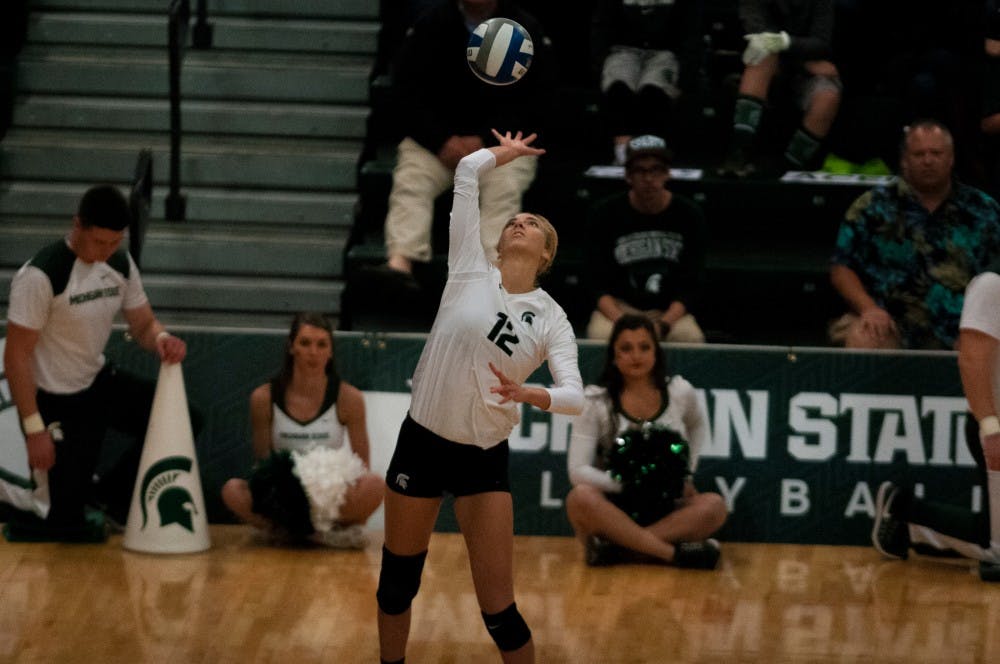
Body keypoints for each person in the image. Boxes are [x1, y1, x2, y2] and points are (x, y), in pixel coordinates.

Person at [376, 130, 584, 664]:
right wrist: (506, 155)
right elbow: (467, 173)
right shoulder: (470, 268)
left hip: (481, 457)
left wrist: (529, 394)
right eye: (516, 219)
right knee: (397, 585)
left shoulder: (552, 319)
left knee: (499, 611)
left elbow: (575, 397)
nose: (520, 222)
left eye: (533, 223)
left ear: (546, 254)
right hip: (421, 441)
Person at [2, 184, 188, 538]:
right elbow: (16, 358)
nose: (106, 251)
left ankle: (111, 498)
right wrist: (33, 428)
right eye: (99, 242)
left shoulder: (119, 262)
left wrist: (162, 339)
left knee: (184, 417)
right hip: (54, 398)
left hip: (96, 381)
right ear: (77, 226)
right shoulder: (41, 276)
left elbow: (144, 324)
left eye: (114, 242)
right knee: (64, 522)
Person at [376, 0, 557, 286]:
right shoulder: (430, 23)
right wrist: (441, 141)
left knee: (503, 188)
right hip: (439, 144)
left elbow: (538, 100)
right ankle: (401, 262)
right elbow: (405, 93)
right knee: (412, 179)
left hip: (502, 144)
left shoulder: (525, 29)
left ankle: (489, 274)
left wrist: (486, 140)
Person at [871, 266, 1000, 581]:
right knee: (999, 551)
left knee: (993, 533)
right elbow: (971, 358)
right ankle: (904, 513)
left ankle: (906, 514)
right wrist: (991, 428)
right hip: (995, 428)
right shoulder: (991, 285)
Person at [566, 314, 726, 568]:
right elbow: (577, 471)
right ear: (614, 356)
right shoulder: (596, 401)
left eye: (644, 347)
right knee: (580, 498)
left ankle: (618, 550)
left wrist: (687, 474)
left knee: (714, 506)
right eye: (626, 348)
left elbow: (697, 426)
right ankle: (674, 554)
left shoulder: (679, 392)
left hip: (667, 504)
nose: (636, 355)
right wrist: (630, 485)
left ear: (656, 352)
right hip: (616, 506)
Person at [829, 119, 1000, 350]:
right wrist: (868, 308)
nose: (928, 161)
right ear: (904, 161)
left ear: (951, 159)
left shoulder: (984, 209)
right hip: (889, 321)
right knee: (864, 337)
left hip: (966, 325)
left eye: (936, 153)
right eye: (919, 154)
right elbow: (842, 268)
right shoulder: (872, 206)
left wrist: (982, 326)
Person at [220, 312, 384, 548]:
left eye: (321, 344)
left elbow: (362, 465)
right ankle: (296, 531)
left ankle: (313, 533)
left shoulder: (349, 398)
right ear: (291, 347)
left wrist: (328, 491)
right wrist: (287, 493)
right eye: (305, 343)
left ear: (331, 351)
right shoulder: (263, 398)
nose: (313, 352)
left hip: (331, 497)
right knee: (232, 491)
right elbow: (262, 465)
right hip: (284, 497)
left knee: (375, 485)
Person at [584, 135, 707, 343]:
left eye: (656, 170)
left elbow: (692, 284)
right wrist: (623, 322)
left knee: (691, 339)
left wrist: (665, 324)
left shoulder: (689, 214)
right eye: (640, 170)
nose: (649, 178)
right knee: (600, 337)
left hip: (668, 311)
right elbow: (595, 283)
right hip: (619, 308)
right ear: (628, 176)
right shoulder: (604, 213)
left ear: (667, 173)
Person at [717, 0, 841, 177]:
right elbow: (758, 35)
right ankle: (738, 152)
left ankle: (791, 165)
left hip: (805, 69)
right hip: (775, 65)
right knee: (762, 58)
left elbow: (821, 43)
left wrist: (786, 43)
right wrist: (803, 62)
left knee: (828, 95)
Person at [590, 0, 704, 165]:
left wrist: (685, 76)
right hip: (623, 50)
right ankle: (622, 150)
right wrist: (599, 62)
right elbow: (601, 28)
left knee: (653, 89)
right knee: (618, 85)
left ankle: (650, 151)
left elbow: (691, 34)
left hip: (665, 53)